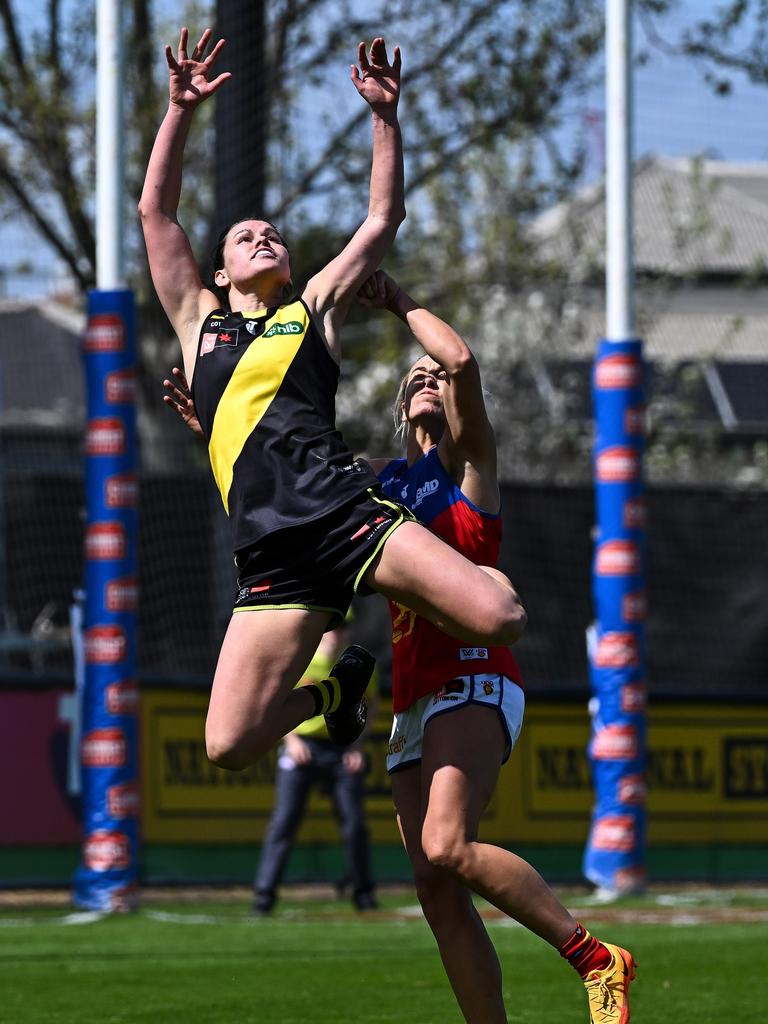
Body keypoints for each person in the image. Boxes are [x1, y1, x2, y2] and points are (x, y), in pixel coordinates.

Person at [140, 28, 526, 775]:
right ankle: (336, 696)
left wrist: (385, 116)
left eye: (273, 234)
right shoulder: (198, 324)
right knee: (227, 745)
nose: (262, 237)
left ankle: (445, 656)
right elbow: (158, 216)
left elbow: (382, 220)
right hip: (271, 555)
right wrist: (178, 111)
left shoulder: (311, 310)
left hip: (347, 517)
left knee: (500, 614)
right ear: (217, 273)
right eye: (245, 236)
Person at [355, 270, 637, 1024]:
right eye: (414, 377)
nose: (427, 377)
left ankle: (596, 959)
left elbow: (464, 363)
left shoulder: (468, 471)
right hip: (411, 698)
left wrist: (399, 302)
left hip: (473, 679)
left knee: (448, 844)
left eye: (433, 375)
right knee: (436, 891)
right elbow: (288, 474)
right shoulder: (383, 485)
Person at [254, 620, 379, 916]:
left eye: (345, 626)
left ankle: (364, 895)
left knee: (354, 823)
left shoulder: (355, 665)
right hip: (303, 749)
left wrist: (356, 746)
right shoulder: (301, 659)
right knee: (284, 822)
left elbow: (370, 705)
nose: (338, 632)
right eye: (334, 625)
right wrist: (292, 740)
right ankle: (263, 898)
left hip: (340, 750)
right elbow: (275, 701)